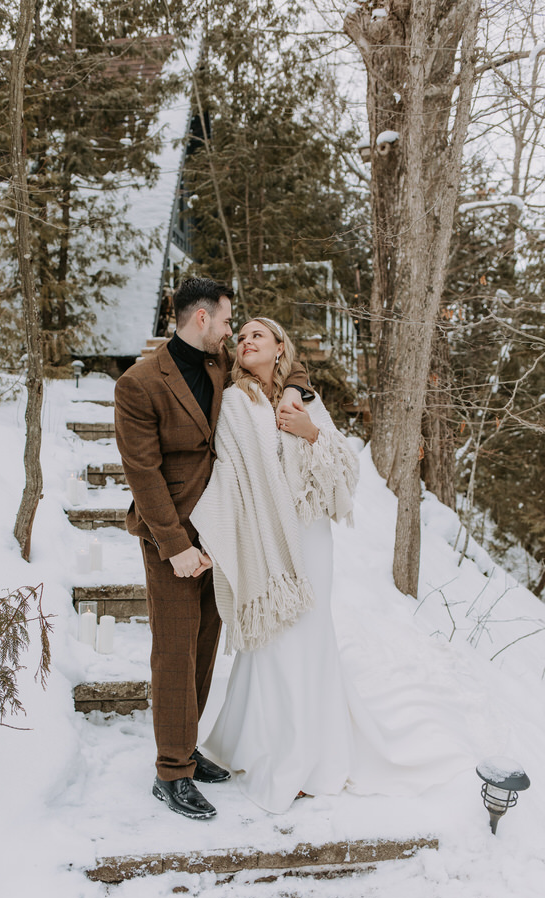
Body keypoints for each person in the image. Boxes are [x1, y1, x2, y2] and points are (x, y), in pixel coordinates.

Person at [191, 317, 471, 814]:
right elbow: (232, 470)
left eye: (260, 334)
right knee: (272, 644)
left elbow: (347, 469)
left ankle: (309, 753)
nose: (247, 340)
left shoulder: (306, 402)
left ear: (281, 349)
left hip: (310, 538)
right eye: (244, 336)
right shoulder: (234, 402)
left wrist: (310, 431)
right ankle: (264, 745)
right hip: (263, 535)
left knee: (306, 639)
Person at [114, 279, 313, 820]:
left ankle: (188, 746)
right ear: (201, 319)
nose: (232, 330)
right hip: (173, 534)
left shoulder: (219, 361)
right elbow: (143, 474)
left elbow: (285, 361)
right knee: (175, 648)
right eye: (227, 321)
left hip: (226, 527)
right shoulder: (138, 384)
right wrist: (174, 546)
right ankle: (170, 772)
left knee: (205, 642)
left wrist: (294, 391)